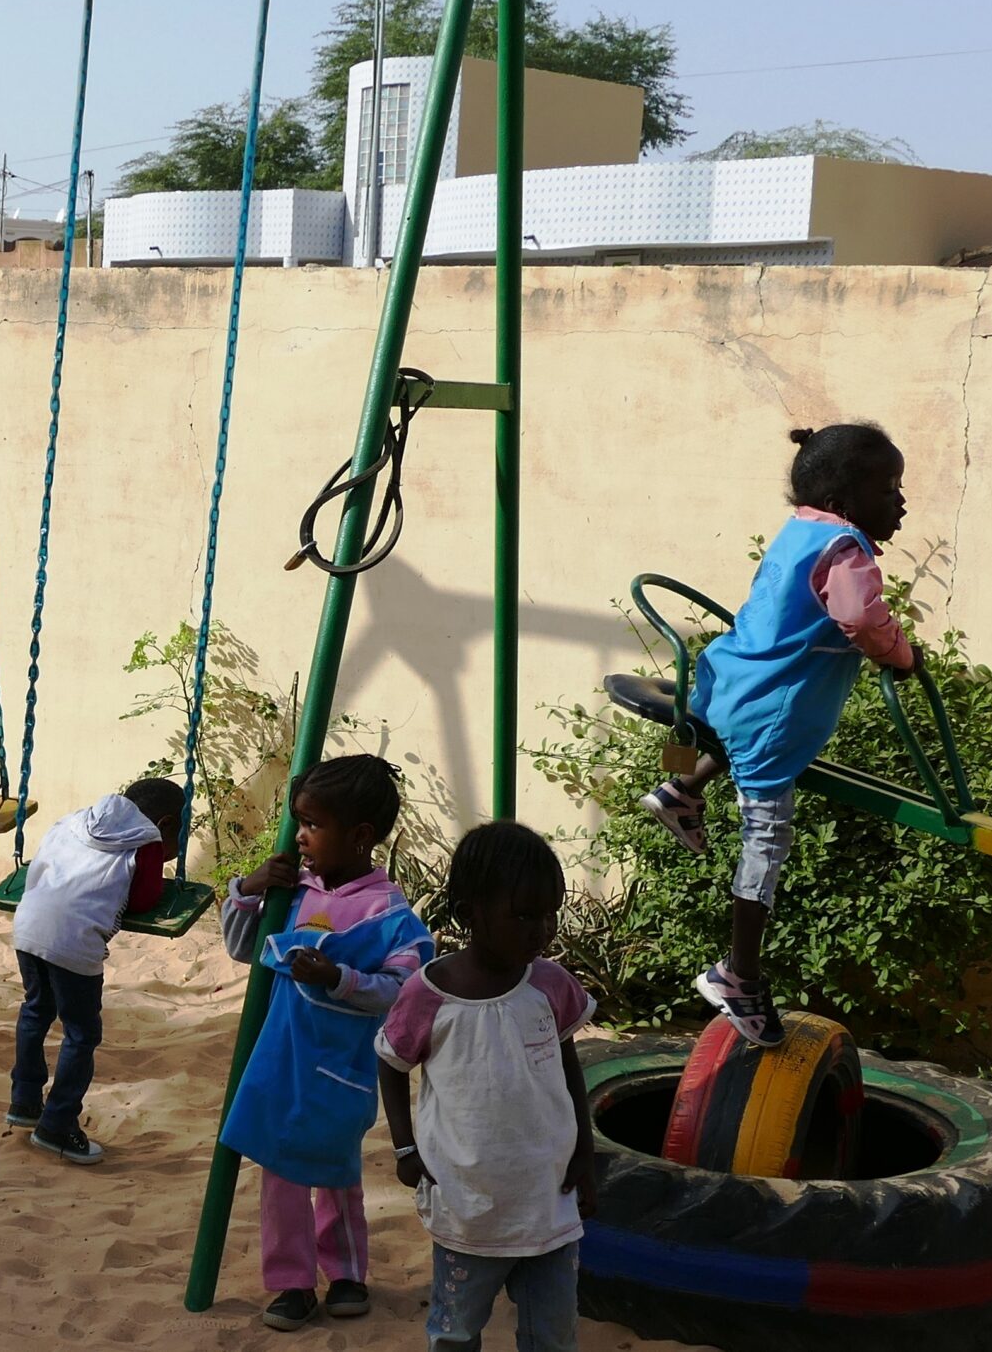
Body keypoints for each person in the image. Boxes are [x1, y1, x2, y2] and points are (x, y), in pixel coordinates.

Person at [641, 423, 916, 1049]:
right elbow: (860, 618)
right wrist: (902, 656)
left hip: (728, 681)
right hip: (771, 711)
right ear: (845, 498)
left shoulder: (801, 530)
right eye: (889, 488)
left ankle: (678, 788)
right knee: (767, 839)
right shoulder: (846, 550)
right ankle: (737, 974)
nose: (901, 501)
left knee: (725, 742)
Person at [218, 754, 435, 1332]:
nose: (300, 836)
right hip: (278, 1059)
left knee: (336, 1171)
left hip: (339, 1067)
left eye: (313, 824)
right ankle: (291, 1282)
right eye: (299, 822)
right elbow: (242, 947)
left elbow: (402, 990)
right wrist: (248, 889)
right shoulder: (293, 893)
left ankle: (345, 1272)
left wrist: (339, 977)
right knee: (279, 1174)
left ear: (360, 836)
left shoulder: (387, 913)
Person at [377, 822, 597, 1352]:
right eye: (523, 916)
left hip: (548, 1197)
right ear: (468, 913)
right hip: (468, 1204)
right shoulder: (430, 994)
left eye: (549, 914)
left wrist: (585, 1153)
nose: (541, 930)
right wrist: (405, 1148)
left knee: (553, 1335)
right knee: (455, 1331)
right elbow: (390, 1061)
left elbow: (569, 1068)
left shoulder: (551, 985)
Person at [6, 776, 185, 1165]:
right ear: (167, 823)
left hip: (29, 927)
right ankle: (57, 1125)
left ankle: (24, 1101)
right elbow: (143, 900)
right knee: (81, 1033)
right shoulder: (147, 841)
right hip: (74, 942)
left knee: (36, 1010)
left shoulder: (75, 819)